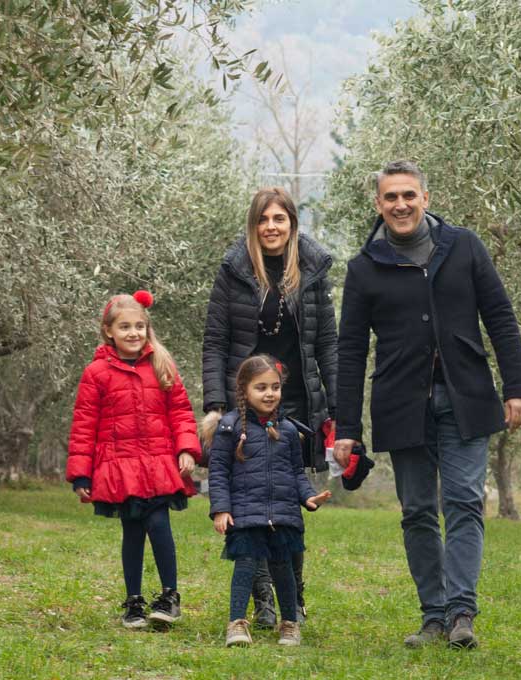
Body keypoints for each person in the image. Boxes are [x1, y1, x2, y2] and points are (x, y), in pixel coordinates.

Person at [334, 160, 521, 649]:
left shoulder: (464, 246)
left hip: (466, 397)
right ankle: (433, 616)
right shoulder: (363, 267)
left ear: (425, 196)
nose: (400, 205)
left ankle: (462, 613)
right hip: (401, 403)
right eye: (390, 197)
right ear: (377, 204)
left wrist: (518, 387)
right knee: (418, 511)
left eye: (408, 195)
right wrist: (346, 426)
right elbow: (351, 349)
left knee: (464, 501)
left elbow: (501, 317)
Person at [202, 186, 338, 627]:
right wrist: (216, 405)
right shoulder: (234, 269)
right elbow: (215, 342)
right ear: (253, 226)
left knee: (285, 501)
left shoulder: (314, 269)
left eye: (280, 219)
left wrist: (338, 408)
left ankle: (292, 600)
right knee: (248, 500)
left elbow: (329, 344)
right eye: (264, 220)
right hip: (244, 401)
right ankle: (263, 601)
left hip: (294, 401)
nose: (271, 227)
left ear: (292, 224)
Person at [66, 290, 201, 629]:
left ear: (147, 328)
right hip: (120, 465)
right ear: (108, 330)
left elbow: (181, 412)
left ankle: (170, 596)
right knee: (133, 531)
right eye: (125, 326)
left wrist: (186, 448)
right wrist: (82, 476)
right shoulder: (96, 373)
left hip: (158, 462)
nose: (133, 333)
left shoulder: (162, 365)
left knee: (159, 524)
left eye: (140, 326)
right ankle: (134, 602)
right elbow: (84, 425)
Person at [208, 355, 331, 647]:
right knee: (246, 565)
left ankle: (289, 623)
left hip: (283, 512)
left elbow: (296, 473)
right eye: (261, 387)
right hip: (245, 512)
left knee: (283, 568)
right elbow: (218, 472)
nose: (269, 393)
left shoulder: (289, 431)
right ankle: (237, 623)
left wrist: (308, 496)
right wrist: (221, 509)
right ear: (244, 390)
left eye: (275, 387)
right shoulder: (229, 428)